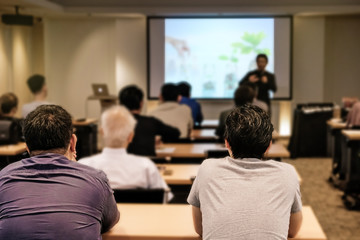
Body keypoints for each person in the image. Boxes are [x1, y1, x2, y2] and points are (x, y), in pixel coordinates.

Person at [0, 105, 119, 239]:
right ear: (73, 142)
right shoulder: (96, 179)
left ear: (27, 147)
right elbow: (110, 220)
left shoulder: (3, 178)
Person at [188, 105, 302, 240]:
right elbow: (292, 231)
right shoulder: (287, 173)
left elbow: (200, 229)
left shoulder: (207, 169)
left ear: (227, 143)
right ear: (269, 145)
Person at [79, 106, 171, 193]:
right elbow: (165, 197)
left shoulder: (83, 167)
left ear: (102, 132)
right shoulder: (146, 167)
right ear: (130, 137)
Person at [119, 85, 180, 156]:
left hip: (121, 165)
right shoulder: (150, 122)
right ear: (141, 103)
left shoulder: (113, 123)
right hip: (147, 164)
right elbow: (176, 133)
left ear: (120, 104)